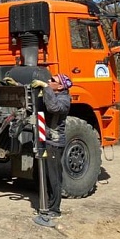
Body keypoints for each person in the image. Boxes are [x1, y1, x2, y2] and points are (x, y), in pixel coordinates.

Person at [31, 73, 73, 220]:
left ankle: (55, 209)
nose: (49, 81)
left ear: (60, 86)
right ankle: (47, 204)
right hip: (45, 140)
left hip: (55, 143)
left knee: (53, 177)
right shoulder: (52, 94)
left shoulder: (64, 100)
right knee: (42, 174)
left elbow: (53, 108)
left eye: (53, 81)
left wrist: (46, 88)